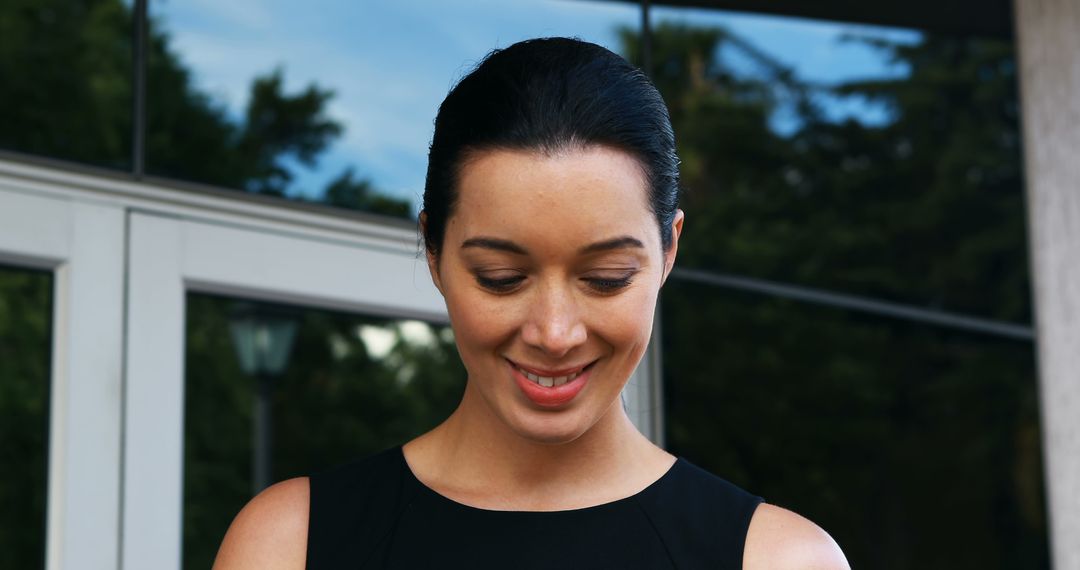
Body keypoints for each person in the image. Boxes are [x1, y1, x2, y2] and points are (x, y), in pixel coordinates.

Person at [213, 37, 849, 569]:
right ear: (432, 252)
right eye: (500, 276)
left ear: (668, 252)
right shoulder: (287, 545)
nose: (554, 332)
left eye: (605, 276)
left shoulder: (778, 559)